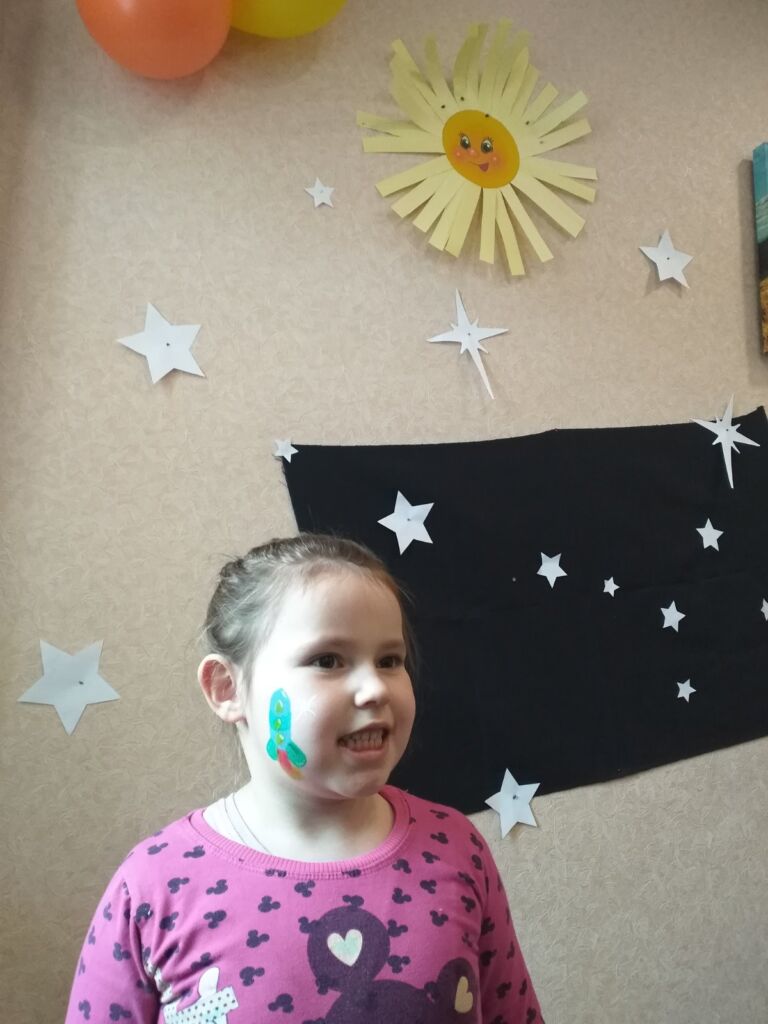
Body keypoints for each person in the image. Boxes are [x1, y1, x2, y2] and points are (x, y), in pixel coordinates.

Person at [65, 533, 543, 1023]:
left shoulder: (454, 847)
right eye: (327, 660)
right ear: (227, 689)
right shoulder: (155, 887)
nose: (374, 688)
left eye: (389, 660)